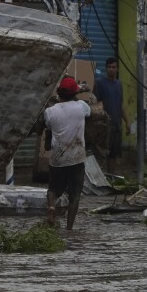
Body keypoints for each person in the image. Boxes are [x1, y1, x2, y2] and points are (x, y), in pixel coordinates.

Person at [44, 76, 93, 230]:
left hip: (57, 159)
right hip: (76, 158)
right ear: (73, 93)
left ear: (59, 93)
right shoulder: (81, 106)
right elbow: (90, 113)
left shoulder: (50, 111)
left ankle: (52, 207)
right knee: (75, 196)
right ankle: (69, 229)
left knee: (53, 190)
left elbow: (48, 128)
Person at [93, 57, 130, 166]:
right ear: (105, 69)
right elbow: (95, 105)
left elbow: (120, 105)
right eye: (109, 67)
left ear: (117, 69)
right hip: (104, 127)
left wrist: (127, 122)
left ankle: (111, 179)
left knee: (113, 155)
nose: (111, 69)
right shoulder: (100, 83)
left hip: (116, 126)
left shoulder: (119, 85)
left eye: (113, 67)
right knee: (100, 155)